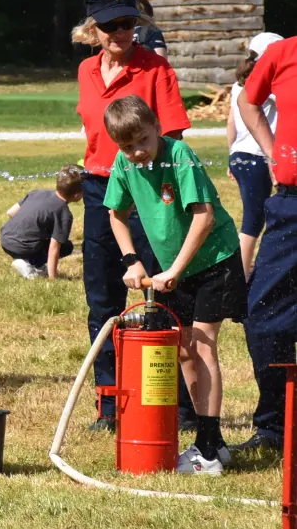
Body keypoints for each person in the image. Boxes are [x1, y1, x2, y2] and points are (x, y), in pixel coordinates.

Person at [73, 0, 192, 431]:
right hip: (99, 189)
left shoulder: (155, 68)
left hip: (148, 190)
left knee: (162, 295)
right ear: (94, 29)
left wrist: (165, 197)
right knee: (102, 298)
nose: (122, 33)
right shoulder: (86, 72)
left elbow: (174, 137)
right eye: (111, 25)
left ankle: (177, 406)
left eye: (128, 24)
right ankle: (109, 405)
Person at [103, 96, 244, 474]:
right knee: (183, 350)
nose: (136, 153)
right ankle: (211, 439)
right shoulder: (124, 163)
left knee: (202, 345)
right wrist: (132, 260)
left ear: (157, 129)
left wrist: (174, 270)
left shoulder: (179, 156)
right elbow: (116, 215)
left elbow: (205, 217)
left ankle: (209, 451)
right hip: (173, 269)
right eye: (127, 147)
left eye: (143, 141)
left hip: (215, 260)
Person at [233, 33, 297, 458]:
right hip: (291, 204)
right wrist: (274, 153)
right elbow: (246, 102)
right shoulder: (281, 52)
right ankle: (274, 427)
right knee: (264, 314)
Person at [228, 32, 283, 279]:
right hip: (259, 155)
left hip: (239, 154)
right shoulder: (270, 87)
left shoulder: (237, 85)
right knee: (253, 219)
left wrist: (231, 155)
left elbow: (231, 122)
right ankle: (239, 276)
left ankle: (244, 269)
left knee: (254, 214)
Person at [0, 166, 83, 280]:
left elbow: (10, 212)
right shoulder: (64, 214)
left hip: (5, 239)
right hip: (23, 247)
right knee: (66, 247)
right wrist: (53, 278)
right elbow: (54, 248)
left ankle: (33, 263)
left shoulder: (37, 193)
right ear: (77, 195)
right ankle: (28, 264)